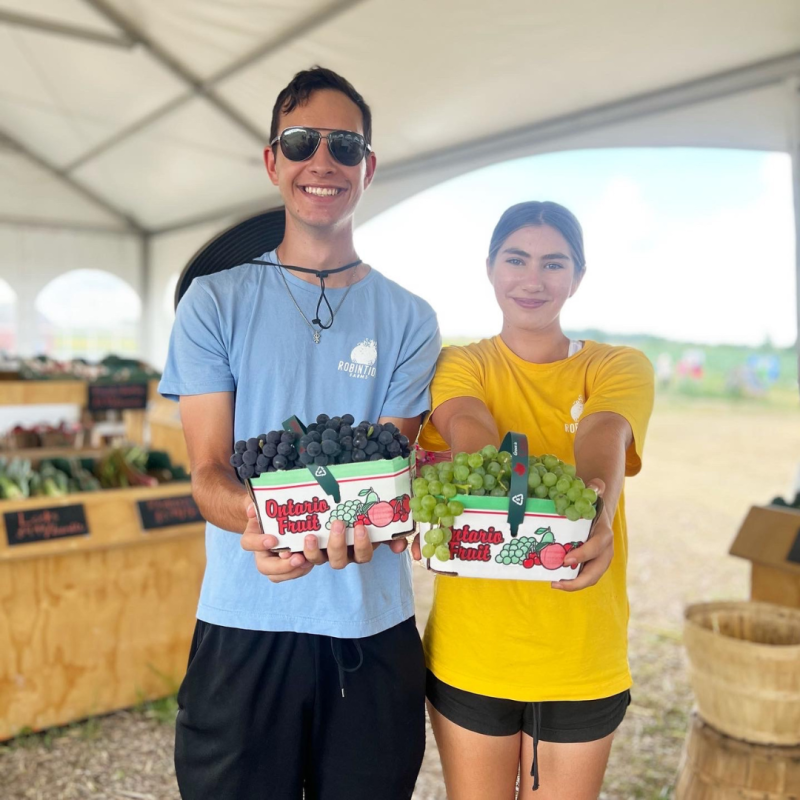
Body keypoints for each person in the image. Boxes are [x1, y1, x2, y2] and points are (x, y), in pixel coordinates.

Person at [159, 67, 440, 800]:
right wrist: (258, 519)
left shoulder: (410, 319)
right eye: (301, 141)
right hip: (243, 623)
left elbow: (382, 470)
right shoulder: (213, 303)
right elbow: (209, 472)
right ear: (272, 160)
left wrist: (380, 519)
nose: (323, 160)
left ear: (368, 168)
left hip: (369, 628)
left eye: (344, 145)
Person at [417, 201, 654, 799]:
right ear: (490, 268)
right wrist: (485, 486)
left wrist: (596, 508)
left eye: (554, 263)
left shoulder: (619, 365)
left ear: (578, 276)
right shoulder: (458, 363)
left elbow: (604, 435)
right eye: (516, 259)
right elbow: (469, 425)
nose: (532, 279)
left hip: (581, 653)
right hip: (472, 650)